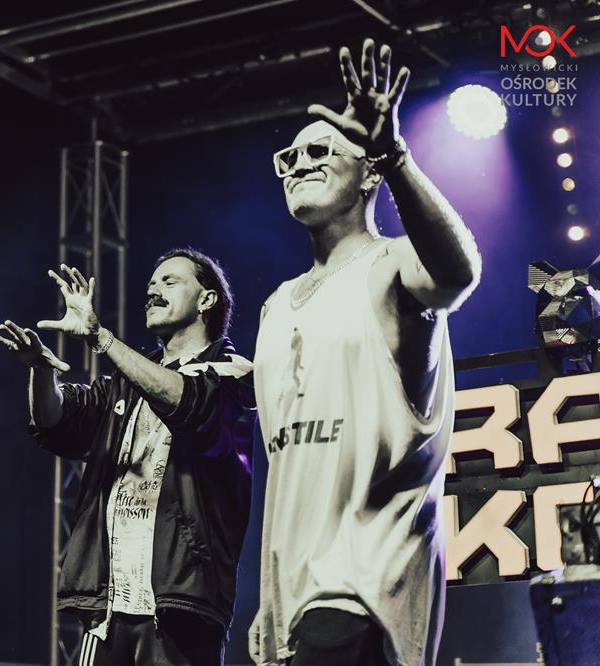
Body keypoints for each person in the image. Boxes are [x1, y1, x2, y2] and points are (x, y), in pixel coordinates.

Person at [248, 39, 481, 666]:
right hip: (293, 599)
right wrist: (270, 598)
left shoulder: (392, 265)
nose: (299, 164)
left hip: (365, 587)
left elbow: (457, 273)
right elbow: (288, 466)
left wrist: (394, 155)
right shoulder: (275, 305)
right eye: (290, 156)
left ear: (368, 174)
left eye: (320, 151)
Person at [0, 249, 256, 665]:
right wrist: (41, 371)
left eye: (170, 281)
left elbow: (189, 403)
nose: (153, 290)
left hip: (181, 605)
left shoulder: (235, 372)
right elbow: (57, 424)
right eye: (151, 283)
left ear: (207, 300)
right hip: (108, 607)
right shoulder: (127, 381)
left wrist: (102, 338)